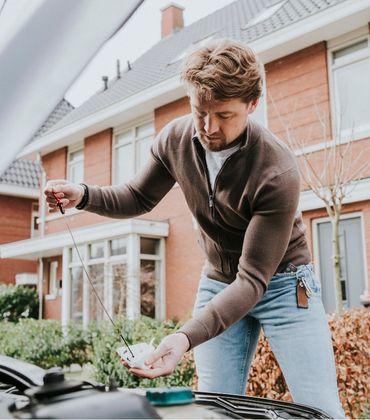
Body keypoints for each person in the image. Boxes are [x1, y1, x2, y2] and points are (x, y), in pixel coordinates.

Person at [45, 39, 345, 418]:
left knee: (322, 410)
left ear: (252, 105)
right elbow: (138, 196)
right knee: (212, 409)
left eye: (223, 115)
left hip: (283, 284)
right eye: (199, 111)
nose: (208, 127)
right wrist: (83, 195)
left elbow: (252, 280)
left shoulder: (277, 171)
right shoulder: (175, 139)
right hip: (219, 280)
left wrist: (183, 337)